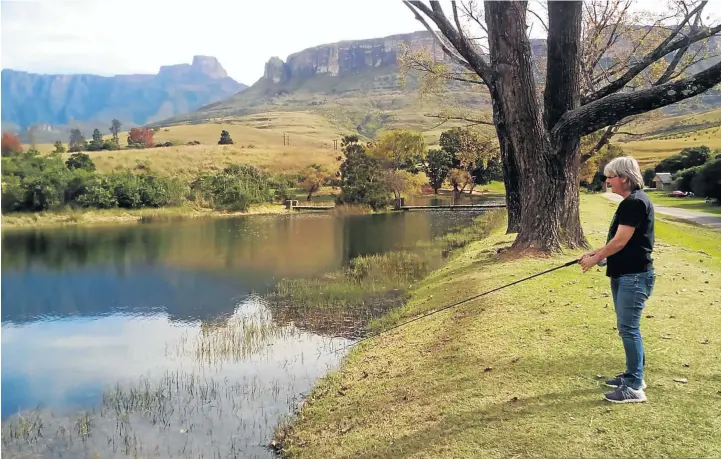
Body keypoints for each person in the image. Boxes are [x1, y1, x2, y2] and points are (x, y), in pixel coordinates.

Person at [580, 156, 655, 404]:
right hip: (626, 274)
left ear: (624, 177)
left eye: (610, 176)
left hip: (634, 277)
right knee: (628, 328)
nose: (607, 181)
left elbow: (621, 241)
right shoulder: (631, 202)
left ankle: (634, 387)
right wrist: (598, 255)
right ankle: (635, 376)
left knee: (629, 329)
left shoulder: (634, 203)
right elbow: (621, 243)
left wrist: (595, 259)